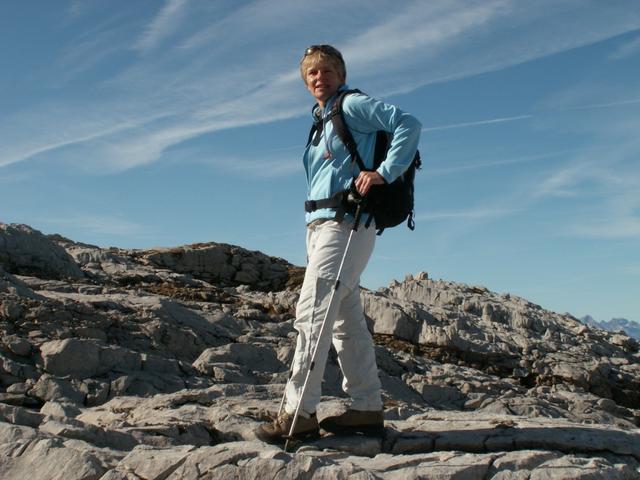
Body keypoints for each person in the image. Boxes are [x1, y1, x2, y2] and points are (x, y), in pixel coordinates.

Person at [255, 44, 421, 443]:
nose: (320, 77)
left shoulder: (351, 105)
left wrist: (383, 172)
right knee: (346, 321)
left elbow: (408, 123)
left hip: (347, 224)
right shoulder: (321, 120)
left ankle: (299, 414)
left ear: (341, 75)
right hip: (322, 227)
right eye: (312, 73)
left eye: (328, 70)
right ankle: (367, 408)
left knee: (313, 312)